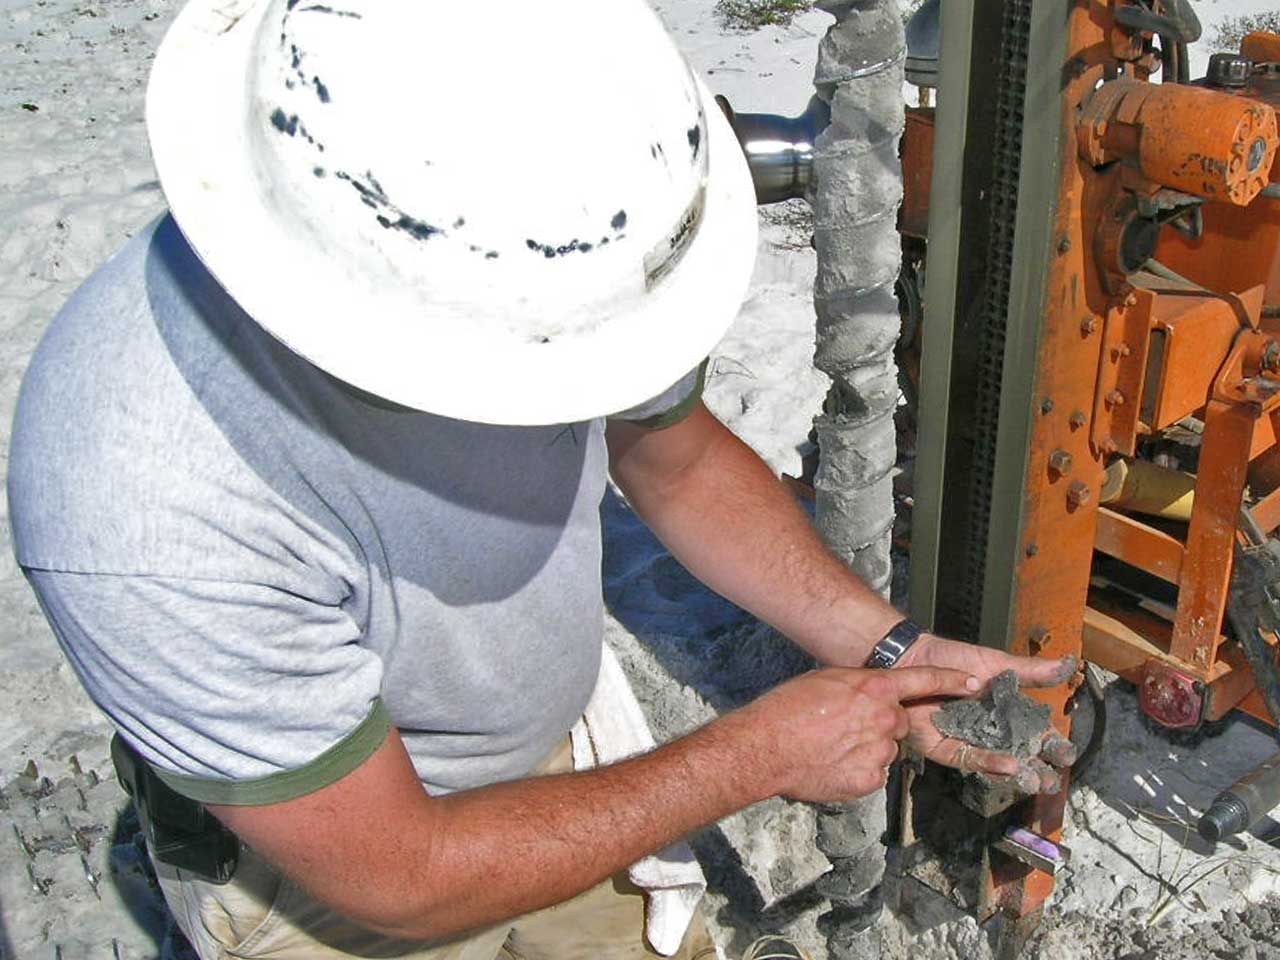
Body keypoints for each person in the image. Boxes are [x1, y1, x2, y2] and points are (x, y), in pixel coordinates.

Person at [6, 1, 1076, 958]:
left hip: (555, 766)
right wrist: (748, 758)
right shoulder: (142, 491)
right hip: (327, 883)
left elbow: (678, 459)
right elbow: (399, 877)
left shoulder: (569, 233)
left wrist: (887, 648)